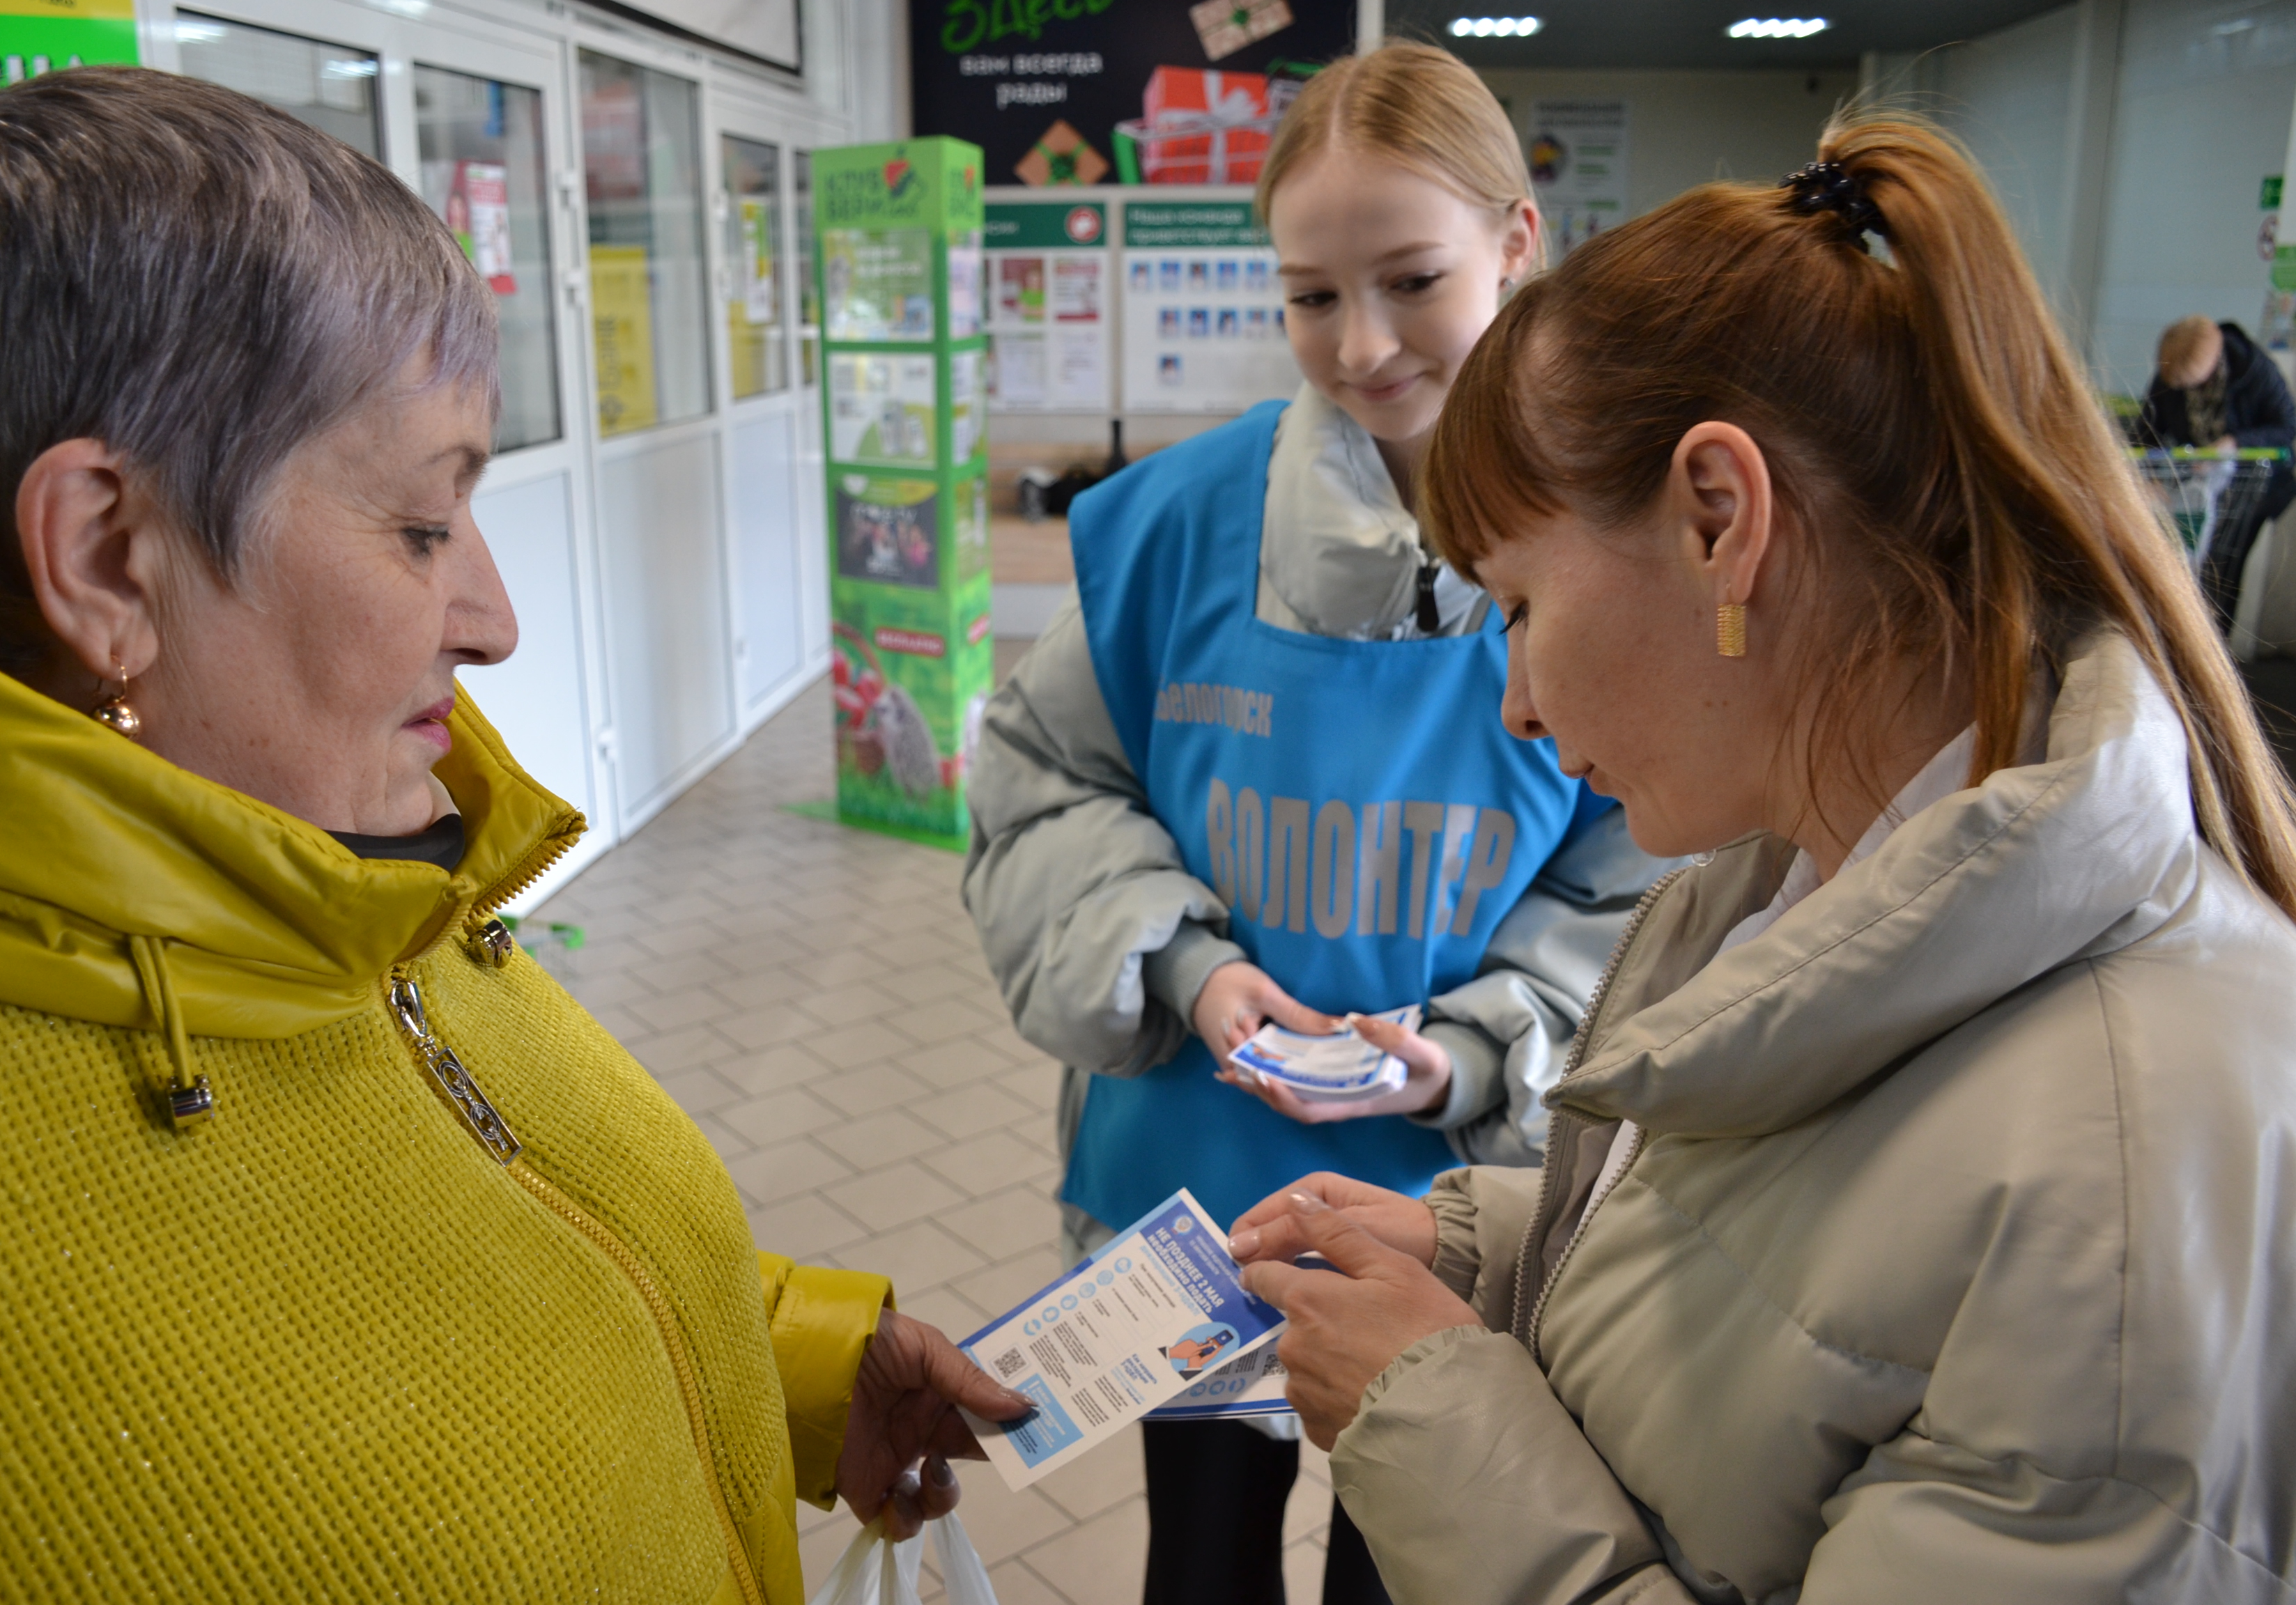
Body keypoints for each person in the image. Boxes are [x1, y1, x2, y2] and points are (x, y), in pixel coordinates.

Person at [0, 68, 1026, 1602]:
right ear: (108, 555)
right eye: (424, 527)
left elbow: (484, 1257)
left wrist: (791, 1367)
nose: (493, 623)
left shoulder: (356, 869)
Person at [1227, 116, 2296, 1602]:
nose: (1516, 703)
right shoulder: (1801, 888)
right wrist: (1472, 1239)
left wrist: (1433, 1423)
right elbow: (1797, 1277)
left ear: (1721, 522)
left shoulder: (2127, 1177)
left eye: (1524, 607)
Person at [963, 42, 1668, 1605]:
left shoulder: (1621, 545)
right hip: (1189, 1187)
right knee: (1202, 1560)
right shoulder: (1165, 535)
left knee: (1404, 1558)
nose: (1361, 346)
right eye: (1308, 296)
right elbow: (1039, 784)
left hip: (1457, 1201)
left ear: (1518, 243)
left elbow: (1646, 877)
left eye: (1414, 279)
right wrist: (1189, 969)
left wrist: (1478, 1048)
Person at [2134, 313, 2296, 629]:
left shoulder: (2254, 369)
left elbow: (2286, 426)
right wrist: (2148, 475)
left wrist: (2234, 443)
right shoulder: (2172, 372)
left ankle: (2215, 645)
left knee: (2223, 571)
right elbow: (2147, 427)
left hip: (2250, 489)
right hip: (2195, 487)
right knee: (2180, 563)